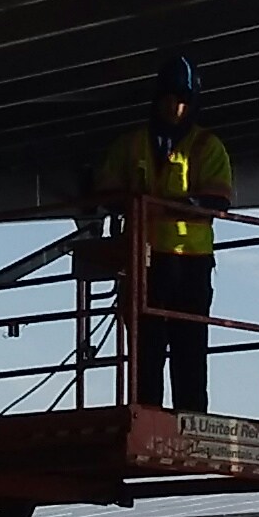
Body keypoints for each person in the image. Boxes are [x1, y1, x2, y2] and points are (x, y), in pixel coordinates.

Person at [95, 56, 234, 411]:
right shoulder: (131, 145)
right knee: (147, 344)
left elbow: (218, 200)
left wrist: (158, 206)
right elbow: (105, 191)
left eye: (183, 100)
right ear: (158, 99)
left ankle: (190, 414)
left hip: (190, 263)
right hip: (146, 260)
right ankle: (148, 413)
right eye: (171, 98)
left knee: (189, 344)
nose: (176, 107)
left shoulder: (207, 146)